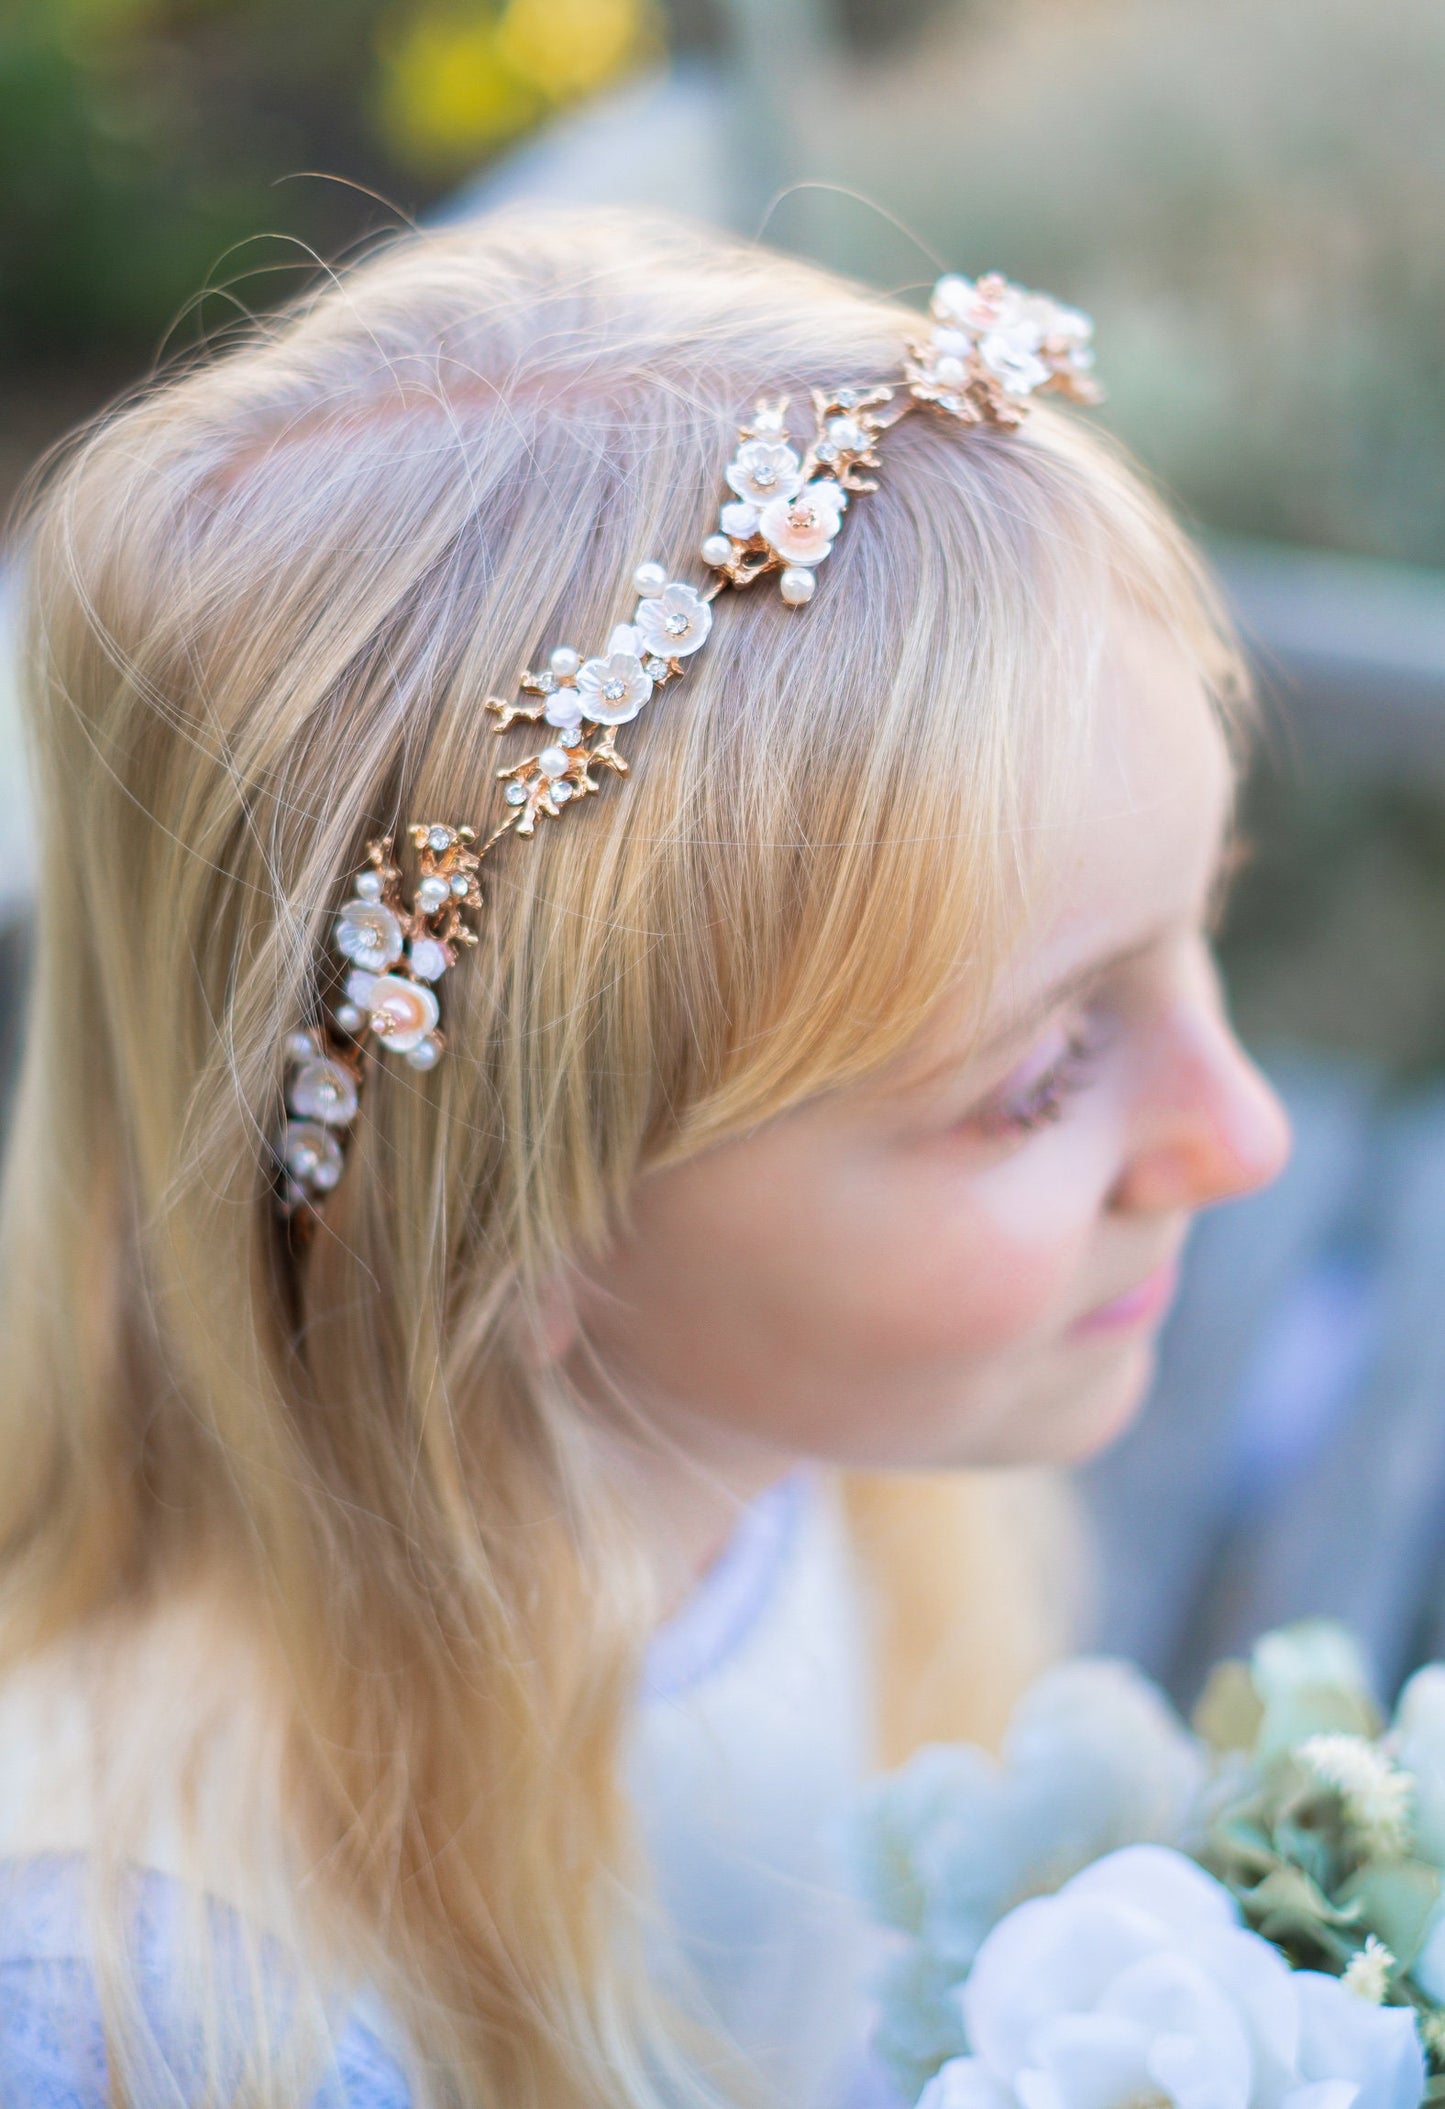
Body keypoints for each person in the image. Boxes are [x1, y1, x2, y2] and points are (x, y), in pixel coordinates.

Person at [0, 210, 1288, 2108]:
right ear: (491, 1229)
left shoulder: (801, 1472)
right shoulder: (174, 2026)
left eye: (1206, 925)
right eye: (1038, 1073)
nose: (1241, 1130)